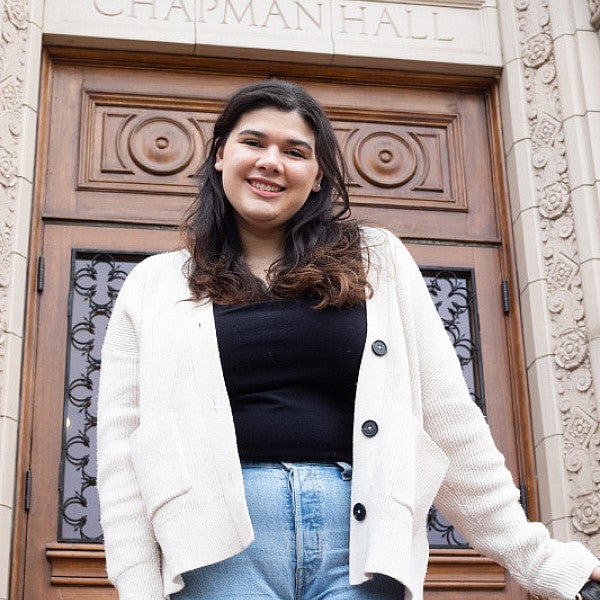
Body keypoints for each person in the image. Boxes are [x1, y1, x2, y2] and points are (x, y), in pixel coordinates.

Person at [97, 79, 600, 600]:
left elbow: (449, 420)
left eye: (295, 152)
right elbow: (123, 452)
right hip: (214, 555)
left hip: (359, 547)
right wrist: (138, 587)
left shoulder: (377, 259)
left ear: (316, 178)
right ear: (221, 155)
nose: (272, 162)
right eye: (254, 142)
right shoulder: (155, 284)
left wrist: (538, 560)